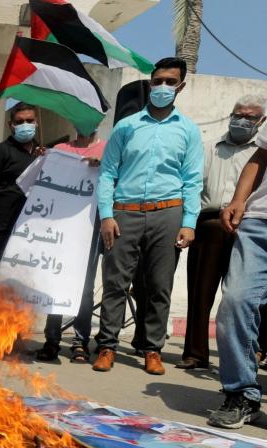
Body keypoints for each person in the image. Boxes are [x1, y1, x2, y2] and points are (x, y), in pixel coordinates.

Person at [92, 57, 202, 375]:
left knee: (159, 286)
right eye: (157, 81)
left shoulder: (188, 131)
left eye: (170, 82)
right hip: (123, 214)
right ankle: (108, 346)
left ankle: (152, 349)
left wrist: (189, 223)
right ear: (149, 84)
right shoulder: (126, 127)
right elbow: (108, 173)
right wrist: (106, 216)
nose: (163, 87)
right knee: (114, 282)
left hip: (167, 213)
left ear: (180, 86)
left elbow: (193, 179)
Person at [178, 95, 266, 370]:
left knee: (246, 296)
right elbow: (191, 185)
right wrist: (189, 223)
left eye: (250, 117)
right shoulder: (208, 148)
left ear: (261, 121)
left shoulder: (259, 151)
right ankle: (195, 353)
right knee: (200, 291)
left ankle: (256, 352)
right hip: (210, 224)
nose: (242, 120)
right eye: (238, 114)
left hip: (247, 225)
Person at [211, 121, 267, 428]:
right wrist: (238, 200)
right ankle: (241, 394)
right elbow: (260, 158)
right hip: (259, 224)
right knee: (234, 302)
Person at [35, 130, 107, 363]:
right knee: (54, 283)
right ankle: (52, 340)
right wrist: (44, 158)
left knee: (85, 288)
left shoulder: (107, 149)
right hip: (60, 229)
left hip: (89, 229)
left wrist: (103, 166)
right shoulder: (61, 151)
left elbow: (118, 179)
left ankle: (80, 341)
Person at [0, 102, 42, 273]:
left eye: (29, 120)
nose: (25, 125)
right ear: (10, 125)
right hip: (2, 231)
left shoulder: (43, 155)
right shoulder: (0, 151)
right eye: (19, 122)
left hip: (31, 233)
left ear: (36, 123)